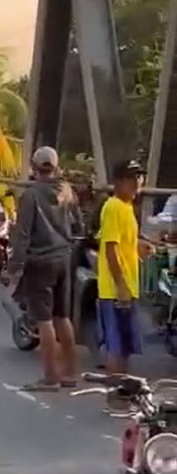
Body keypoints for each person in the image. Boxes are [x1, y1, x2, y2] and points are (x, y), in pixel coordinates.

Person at [7, 146, 80, 392]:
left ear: (34, 166)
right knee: (63, 316)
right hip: (64, 258)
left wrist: (15, 267)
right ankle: (71, 372)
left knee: (44, 319)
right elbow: (78, 224)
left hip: (40, 261)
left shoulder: (30, 195)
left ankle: (51, 376)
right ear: (56, 165)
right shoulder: (67, 190)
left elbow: (23, 234)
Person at [97, 160, 150, 377]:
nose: (136, 183)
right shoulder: (113, 207)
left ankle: (123, 396)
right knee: (116, 346)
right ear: (118, 182)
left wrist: (140, 248)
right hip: (115, 291)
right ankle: (114, 395)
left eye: (138, 177)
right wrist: (121, 286)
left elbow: (124, 246)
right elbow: (110, 249)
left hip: (128, 287)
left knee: (126, 348)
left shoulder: (127, 208)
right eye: (131, 178)